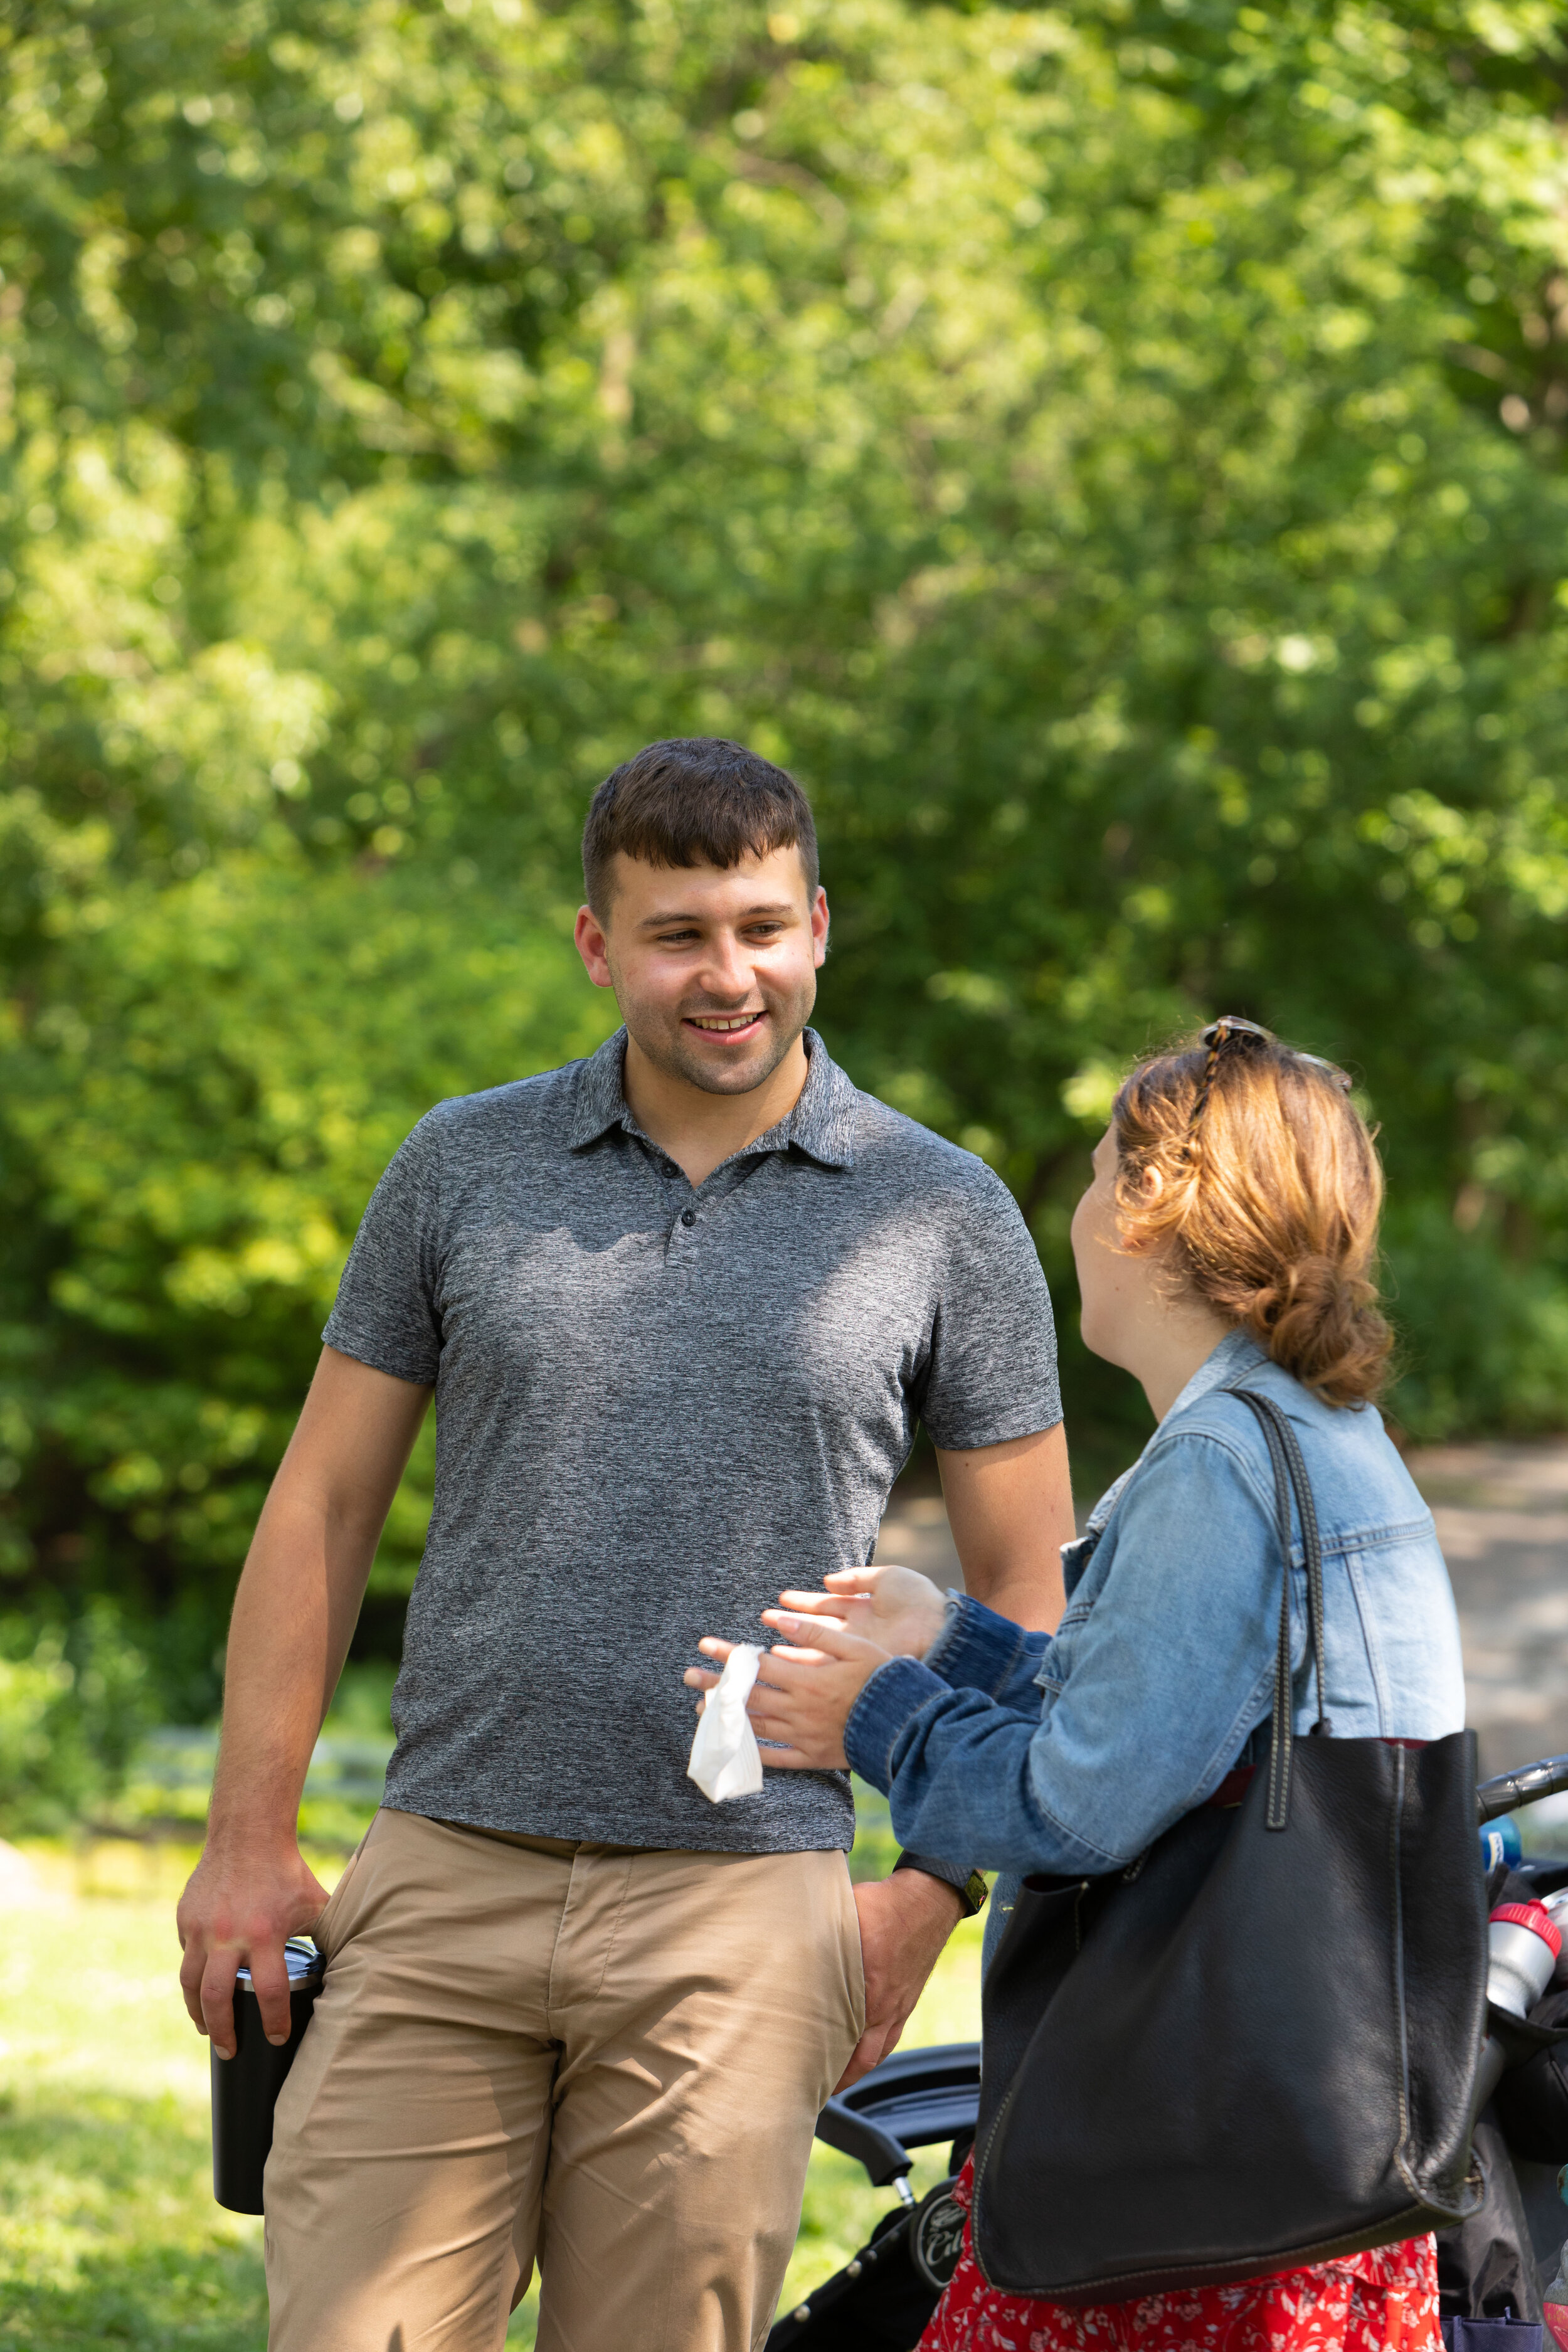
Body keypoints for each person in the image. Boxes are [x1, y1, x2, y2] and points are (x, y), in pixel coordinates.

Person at [175, 736, 1075, 2352]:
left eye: (758, 926)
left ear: (817, 924)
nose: (725, 976)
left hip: (739, 1911)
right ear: (598, 944)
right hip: (446, 1872)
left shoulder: (939, 1212)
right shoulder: (463, 1164)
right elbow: (317, 1505)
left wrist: (930, 1884)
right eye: (677, 936)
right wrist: (247, 1834)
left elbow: (1028, 1591)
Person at [700, 1016, 1465, 2352]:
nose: (1078, 1203)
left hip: (1178, 2196)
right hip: (1297, 2176)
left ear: (1151, 1216)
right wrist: (952, 1641)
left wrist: (868, 1714)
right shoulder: (1320, 1436)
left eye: (1103, 1168)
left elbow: (1080, 1807)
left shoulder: (1219, 1465)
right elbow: (1187, 1723)